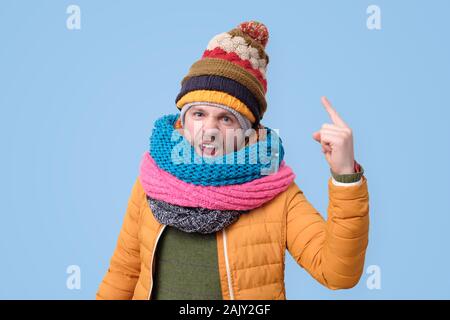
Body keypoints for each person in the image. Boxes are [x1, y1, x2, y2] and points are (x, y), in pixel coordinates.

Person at [96, 21, 369, 300]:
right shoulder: (152, 181)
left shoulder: (276, 193)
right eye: (198, 114)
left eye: (226, 118)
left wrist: (345, 175)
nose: (209, 130)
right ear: (183, 119)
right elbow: (124, 272)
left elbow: (338, 273)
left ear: (248, 130)